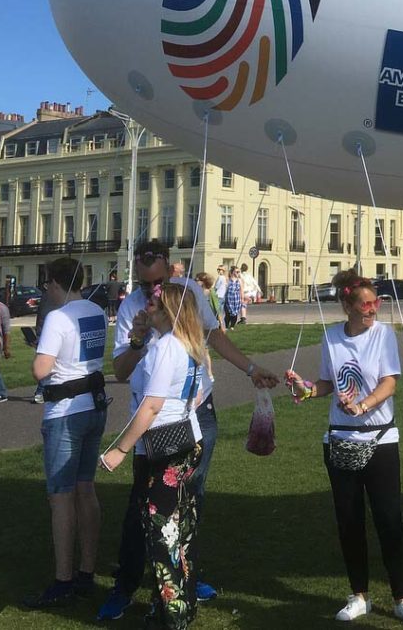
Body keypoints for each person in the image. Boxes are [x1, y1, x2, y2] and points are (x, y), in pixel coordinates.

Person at [97, 239, 278, 621]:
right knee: (142, 510)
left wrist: (250, 368)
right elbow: (121, 371)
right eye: (145, 285)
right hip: (155, 426)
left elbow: (212, 337)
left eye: (158, 283)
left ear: (171, 270)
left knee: (188, 503)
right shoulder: (136, 308)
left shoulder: (187, 296)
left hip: (189, 417)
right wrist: (140, 337)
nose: (153, 292)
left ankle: (181, 586)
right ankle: (128, 585)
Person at [286, 269, 403, 626]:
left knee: (389, 519)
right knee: (349, 521)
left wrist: (363, 406)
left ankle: (402, 598)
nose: (373, 309)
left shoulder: (383, 335)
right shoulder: (331, 336)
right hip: (340, 440)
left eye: (375, 303)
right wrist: (304, 388)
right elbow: (326, 385)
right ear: (347, 305)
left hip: (380, 439)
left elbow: (389, 383)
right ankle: (359, 595)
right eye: (366, 304)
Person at [99, 282, 208, 629]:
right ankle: (182, 604)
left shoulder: (167, 348)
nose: (149, 308)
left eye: (156, 305)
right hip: (188, 439)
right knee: (182, 529)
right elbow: (199, 394)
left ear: (169, 312)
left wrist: (119, 449)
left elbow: (151, 406)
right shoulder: (192, 346)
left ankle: (171, 616)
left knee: (161, 533)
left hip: (162, 447)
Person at [24, 257, 109, 608]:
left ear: (54, 283)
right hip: (94, 406)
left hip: (65, 411)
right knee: (85, 489)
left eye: (48, 285)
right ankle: (87, 571)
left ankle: (63, 579)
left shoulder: (58, 317)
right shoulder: (96, 311)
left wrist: (40, 354)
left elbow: (40, 370)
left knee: (60, 496)